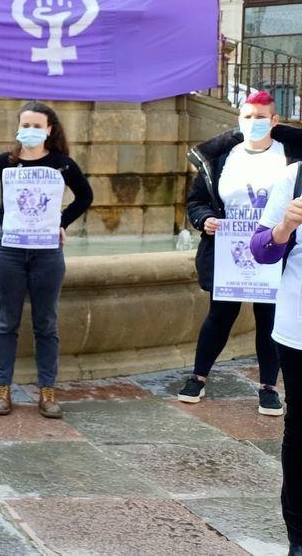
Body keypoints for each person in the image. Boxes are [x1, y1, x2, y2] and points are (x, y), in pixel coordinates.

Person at [180, 91, 302, 416]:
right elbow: (195, 201)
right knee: (219, 317)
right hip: (229, 252)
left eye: (261, 117)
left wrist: (276, 131)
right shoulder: (221, 158)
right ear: (237, 121)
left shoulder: (289, 157)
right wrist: (202, 219)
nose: (253, 123)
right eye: (247, 117)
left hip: (274, 247)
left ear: (275, 121)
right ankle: (198, 377)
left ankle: (268, 387)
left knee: (268, 320)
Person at [0, 102, 94, 419]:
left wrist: (62, 222)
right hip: (9, 251)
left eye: (36, 126)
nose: (29, 130)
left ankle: (47, 392)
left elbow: (85, 196)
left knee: (46, 324)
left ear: (49, 130)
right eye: (24, 125)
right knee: (5, 323)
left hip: (47, 253)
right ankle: (2, 390)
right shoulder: (5, 163)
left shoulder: (62, 164)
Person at [248, 140, 302, 554]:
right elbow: (260, 250)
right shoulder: (293, 177)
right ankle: (298, 537)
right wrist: (284, 228)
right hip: (298, 329)